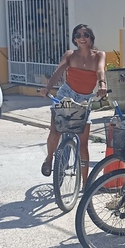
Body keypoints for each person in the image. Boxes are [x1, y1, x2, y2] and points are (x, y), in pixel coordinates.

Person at [40, 24, 107, 184]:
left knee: (83, 143)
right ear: (74, 39)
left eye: (85, 35)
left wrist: (102, 84)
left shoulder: (99, 55)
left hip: (85, 98)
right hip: (67, 93)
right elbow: (59, 71)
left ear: (91, 38)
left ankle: (85, 184)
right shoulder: (70, 54)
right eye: (78, 35)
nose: (82, 38)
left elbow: (99, 70)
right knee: (56, 131)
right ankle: (49, 159)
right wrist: (47, 89)